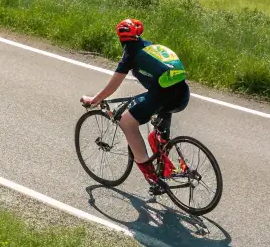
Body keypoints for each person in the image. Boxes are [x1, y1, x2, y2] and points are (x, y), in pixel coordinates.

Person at [80, 19, 189, 187]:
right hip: (182, 95)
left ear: (120, 38)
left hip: (162, 95)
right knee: (156, 132)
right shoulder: (149, 46)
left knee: (126, 122)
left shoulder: (130, 54)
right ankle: (167, 166)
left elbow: (113, 85)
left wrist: (94, 100)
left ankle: (152, 178)